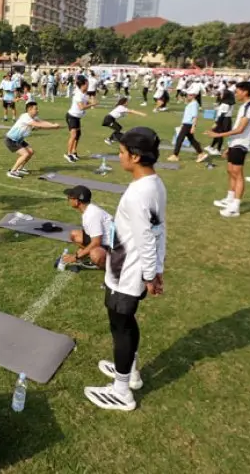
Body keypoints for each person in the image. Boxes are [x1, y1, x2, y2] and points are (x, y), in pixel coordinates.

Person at [84, 127, 166, 412]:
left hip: (126, 272)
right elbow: (159, 230)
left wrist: (150, 275)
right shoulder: (154, 184)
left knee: (119, 325)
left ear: (135, 156)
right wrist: (156, 269)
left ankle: (121, 391)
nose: (119, 157)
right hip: (131, 269)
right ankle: (129, 370)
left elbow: (147, 237)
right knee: (125, 323)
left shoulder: (139, 194)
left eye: (121, 152)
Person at [205, 81, 250, 218]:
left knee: (238, 174)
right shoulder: (243, 106)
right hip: (235, 143)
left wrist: (218, 135)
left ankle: (235, 207)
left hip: (242, 143)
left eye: (238, 91)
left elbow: (240, 129)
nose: (236, 94)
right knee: (230, 170)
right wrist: (229, 146)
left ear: (245, 92)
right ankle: (230, 198)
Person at [60, 185, 112, 271]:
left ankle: (109, 267)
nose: (68, 199)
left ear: (77, 201)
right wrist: (81, 252)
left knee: (96, 254)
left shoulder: (92, 215)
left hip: (113, 247)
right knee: (74, 235)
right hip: (104, 242)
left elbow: (96, 242)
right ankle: (91, 255)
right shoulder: (88, 211)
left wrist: (76, 257)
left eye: (70, 197)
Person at [4, 102, 60, 179]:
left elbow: (42, 122)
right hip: (11, 140)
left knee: (31, 151)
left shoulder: (33, 117)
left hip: (19, 140)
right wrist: (53, 126)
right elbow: (38, 124)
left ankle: (20, 168)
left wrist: (52, 125)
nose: (37, 110)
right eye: (36, 109)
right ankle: (12, 171)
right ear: (29, 109)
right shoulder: (25, 117)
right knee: (25, 154)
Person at [167, 87, 209, 162]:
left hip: (188, 124)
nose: (187, 96)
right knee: (192, 140)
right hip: (186, 124)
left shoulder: (194, 104)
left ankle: (175, 155)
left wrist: (193, 126)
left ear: (194, 96)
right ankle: (201, 154)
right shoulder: (191, 103)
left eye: (189, 95)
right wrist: (182, 124)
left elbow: (195, 116)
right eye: (188, 95)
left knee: (179, 139)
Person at [65, 76, 95, 163]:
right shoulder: (78, 94)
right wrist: (92, 104)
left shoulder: (84, 93)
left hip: (77, 117)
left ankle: (74, 152)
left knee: (78, 135)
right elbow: (81, 107)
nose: (88, 85)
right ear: (83, 84)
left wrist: (91, 101)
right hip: (72, 116)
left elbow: (86, 101)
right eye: (87, 84)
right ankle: (68, 154)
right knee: (73, 135)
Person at [206, 89, 235, 156]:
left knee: (219, 134)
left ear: (226, 95)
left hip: (224, 120)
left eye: (222, 94)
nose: (221, 95)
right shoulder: (227, 102)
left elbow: (222, 115)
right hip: (224, 119)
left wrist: (216, 123)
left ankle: (218, 150)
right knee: (217, 133)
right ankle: (211, 147)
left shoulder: (226, 104)